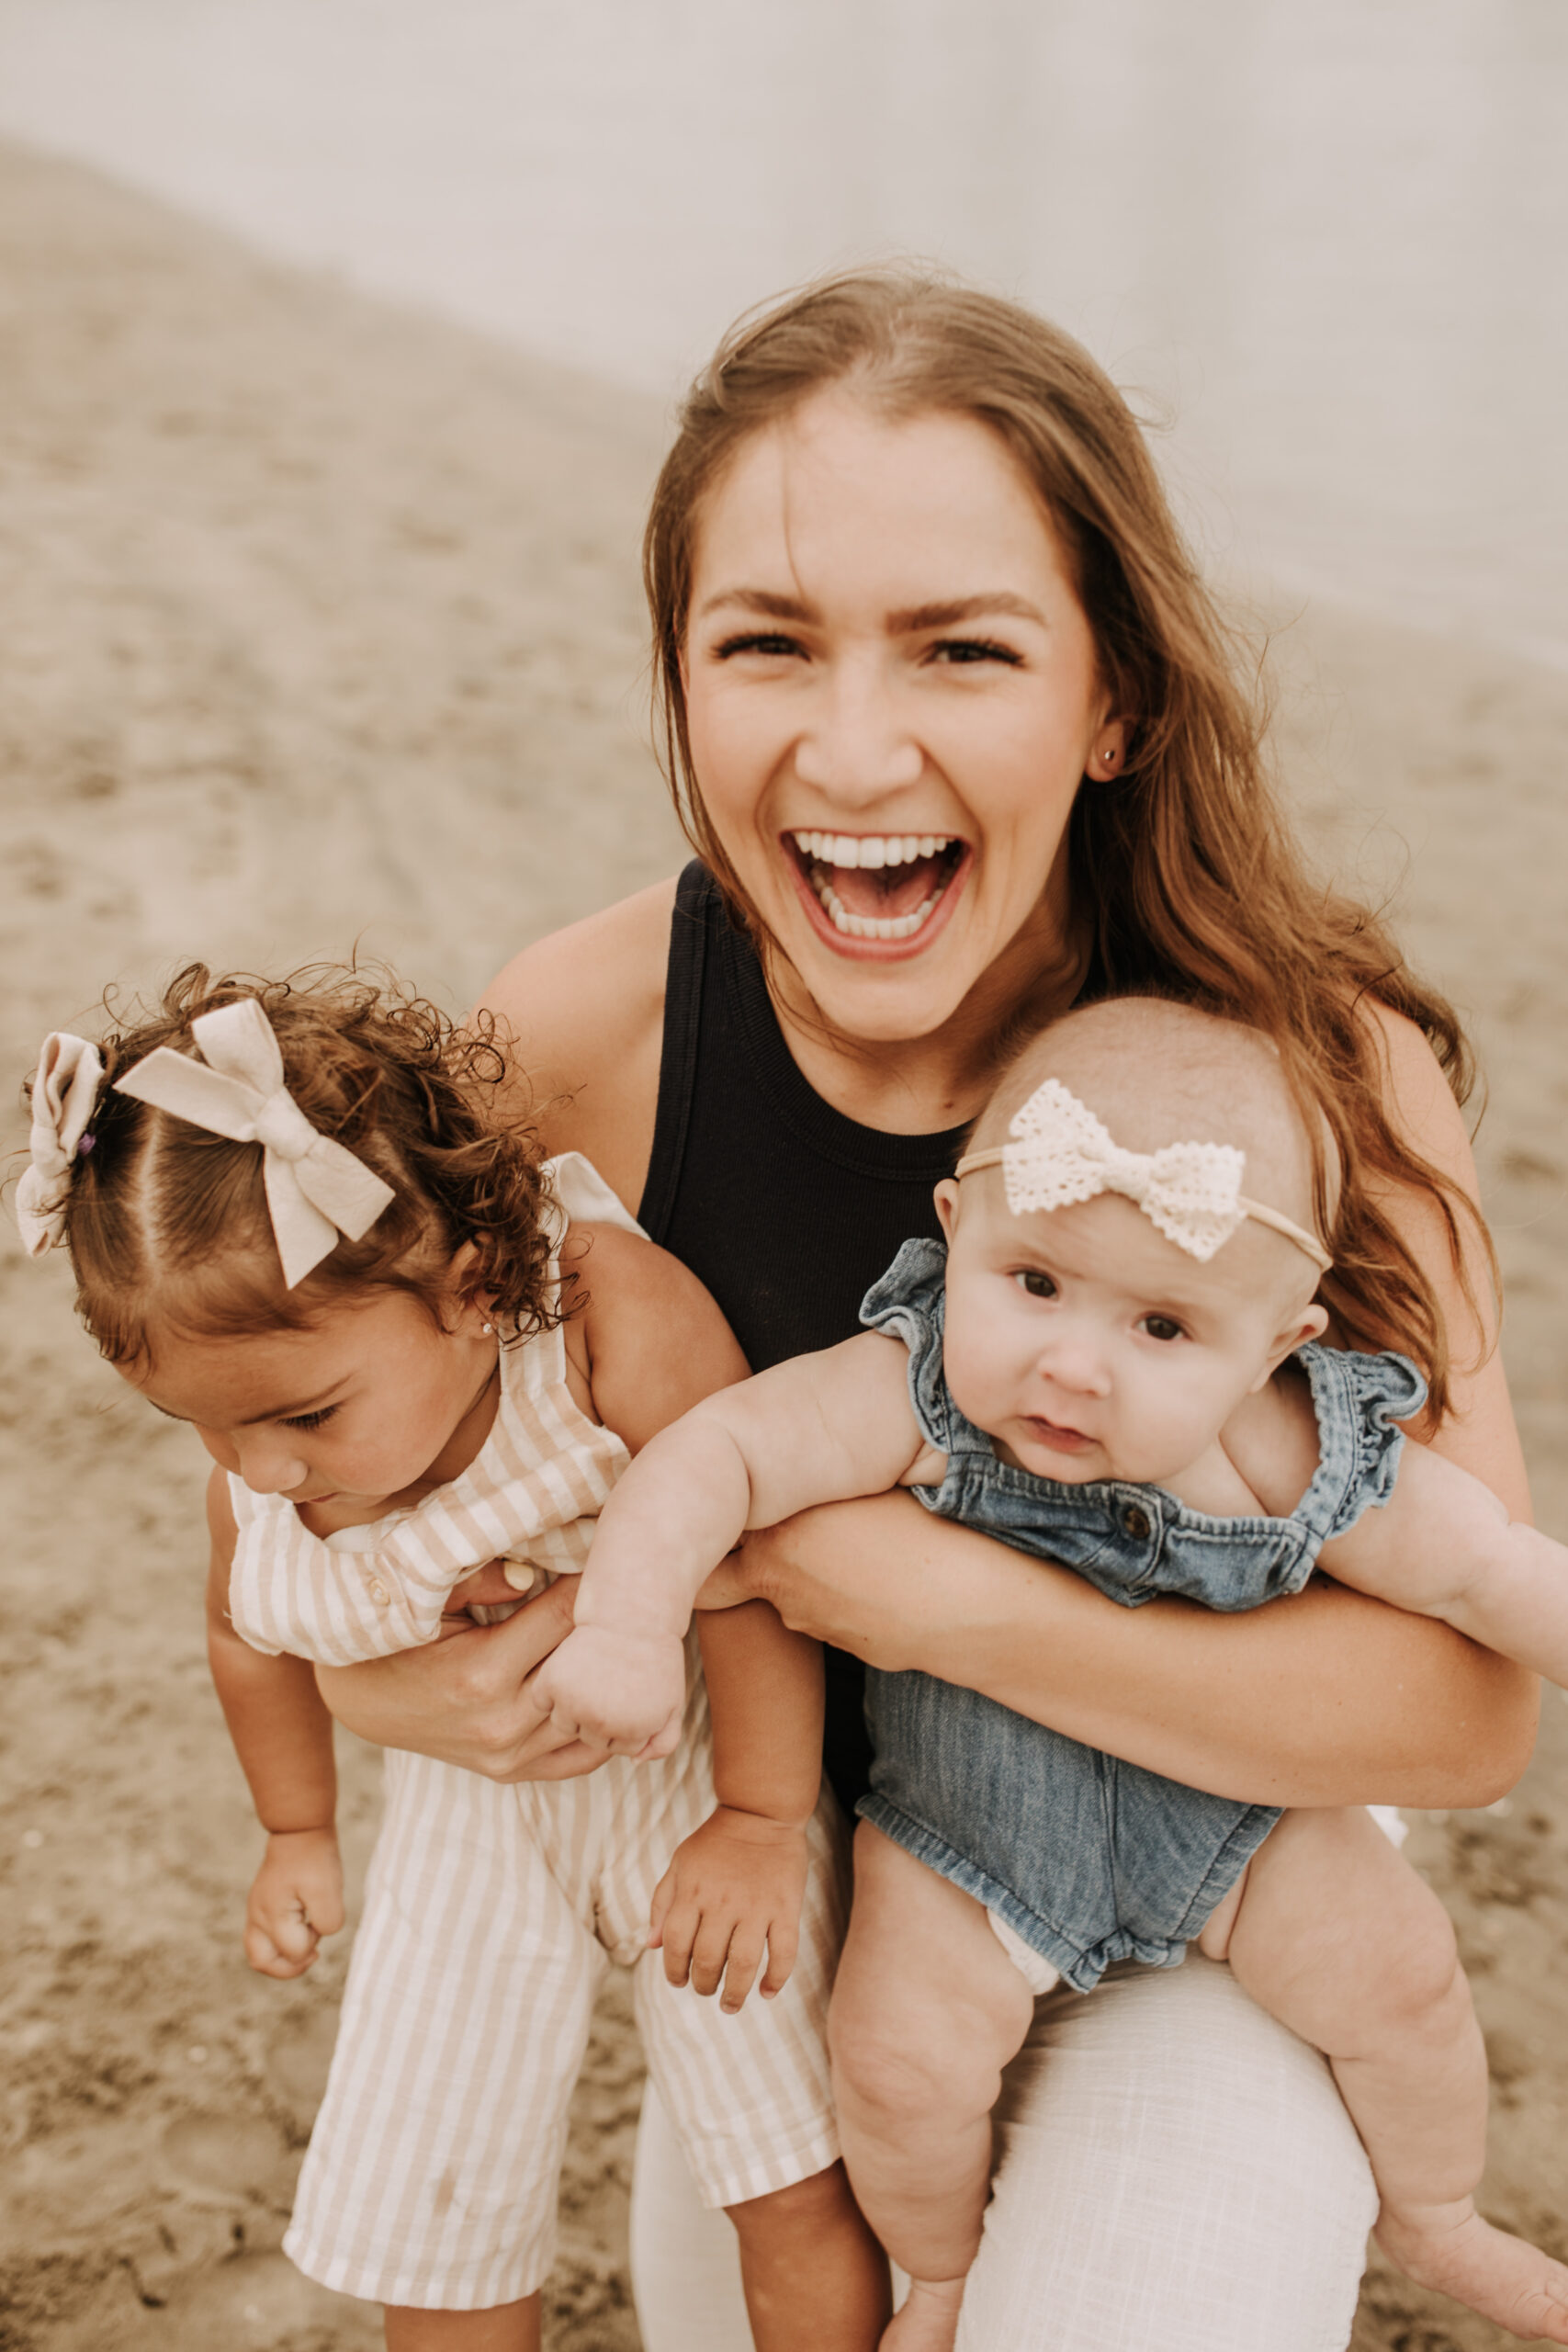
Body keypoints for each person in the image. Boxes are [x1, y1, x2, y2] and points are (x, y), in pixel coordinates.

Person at [313, 273, 1538, 2352]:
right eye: (764, 643)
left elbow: (1462, 1705)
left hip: (1222, 1883)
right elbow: (302, 1444)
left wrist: (905, 1592)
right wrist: (375, 1696)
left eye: (961, 648)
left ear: (1110, 699)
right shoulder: (576, 1039)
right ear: (675, 682)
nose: (851, 744)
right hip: (826, 1926)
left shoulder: (1313, 1074)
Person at [537, 995, 1568, 2350]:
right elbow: (720, 1454)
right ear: (956, 1235)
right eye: (1034, 1287)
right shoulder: (916, 1392)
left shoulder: (1296, 1445)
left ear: (1277, 1346)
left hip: (1239, 1829)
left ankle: (1435, 2213)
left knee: (1405, 1981)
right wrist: (622, 1623)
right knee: (898, 2064)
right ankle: (946, 2276)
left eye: (1161, 1329)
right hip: (970, 1849)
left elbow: (1487, 1569)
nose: (1073, 1365)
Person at [14, 972, 889, 2352]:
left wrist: (765, 1817)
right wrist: (296, 1830)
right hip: (468, 1821)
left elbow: (745, 1571)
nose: (261, 1470)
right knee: (442, 2195)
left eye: (302, 1414)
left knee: (791, 2166)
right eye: (208, 1430)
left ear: (476, 1291)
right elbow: (242, 1633)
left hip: (699, 1776)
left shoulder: (606, 1320)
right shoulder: (260, 1459)